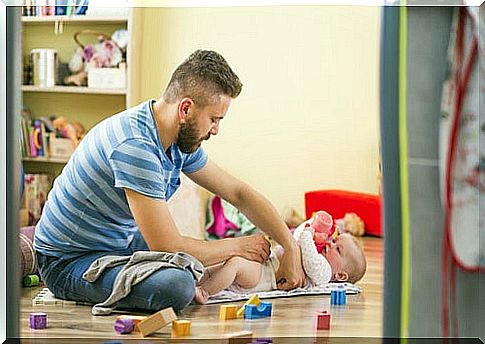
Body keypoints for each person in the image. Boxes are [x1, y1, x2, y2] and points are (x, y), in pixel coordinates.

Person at [33, 50, 305, 312]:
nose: (216, 130)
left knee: (190, 260)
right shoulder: (135, 146)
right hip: (68, 262)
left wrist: (289, 244)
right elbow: (168, 246)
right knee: (177, 285)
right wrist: (238, 246)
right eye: (213, 119)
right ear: (185, 108)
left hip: (117, 244)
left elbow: (238, 193)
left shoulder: (173, 138)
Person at [194, 221, 367, 304]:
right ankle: (196, 281)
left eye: (338, 249)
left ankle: (205, 291)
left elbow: (309, 257)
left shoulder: (323, 272)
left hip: (264, 277)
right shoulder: (317, 251)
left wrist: (309, 234)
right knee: (220, 266)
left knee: (235, 264)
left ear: (341, 275)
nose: (330, 243)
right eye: (335, 240)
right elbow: (295, 237)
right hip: (264, 265)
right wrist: (309, 226)